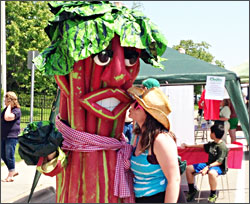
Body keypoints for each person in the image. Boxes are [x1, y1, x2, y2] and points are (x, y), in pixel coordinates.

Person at [127, 86, 180, 203]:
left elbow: (174, 180)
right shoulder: (137, 136)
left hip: (160, 198)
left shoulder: (161, 140)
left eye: (136, 105)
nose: (131, 106)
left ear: (149, 114)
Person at [182, 123, 228, 203]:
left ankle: (213, 194)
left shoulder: (222, 146)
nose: (210, 134)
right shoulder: (212, 144)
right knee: (189, 168)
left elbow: (219, 162)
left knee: (211, 173)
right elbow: (202, 146)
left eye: (210, 132)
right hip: (209, 164)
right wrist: (188, 146)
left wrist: (207, 167)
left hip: (218, 167)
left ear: (213, 134)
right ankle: (192, 190)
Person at [1, 91, 21, 182]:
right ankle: (13, 170)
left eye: (6, 100)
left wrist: (9, 106)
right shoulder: (5, 110)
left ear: (10, 101)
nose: (4, 101)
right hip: (3, 135)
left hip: (11, 136)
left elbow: (8, 117)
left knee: (9, 155)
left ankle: (10, 175)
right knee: (2, 154)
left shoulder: (17, 110)